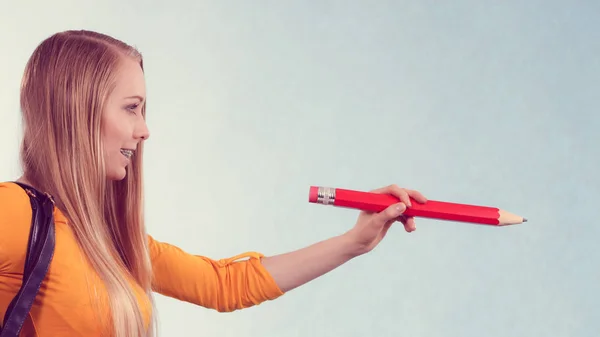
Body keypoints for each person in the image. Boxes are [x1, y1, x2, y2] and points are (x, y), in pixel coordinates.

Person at [0, 30, 427, 337]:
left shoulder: (108, 240)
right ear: (78, 110)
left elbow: (223, 286)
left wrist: (355, 241)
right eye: (131, 108)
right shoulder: (15, 213)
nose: (144, 130)